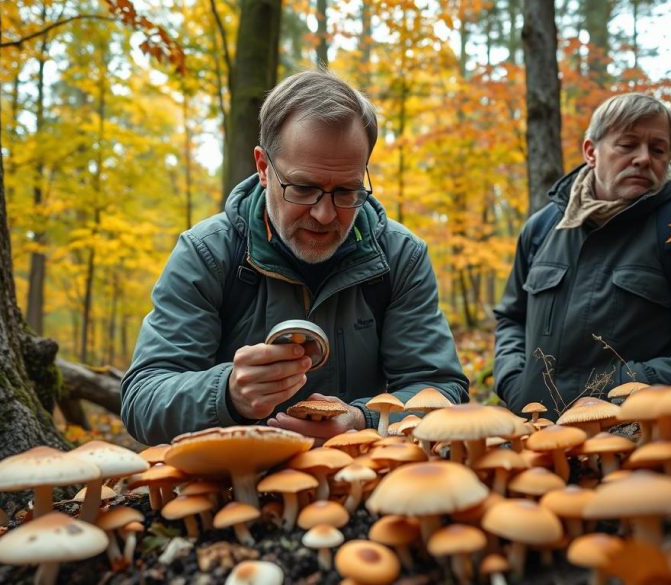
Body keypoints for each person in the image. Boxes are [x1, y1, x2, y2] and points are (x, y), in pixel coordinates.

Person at [121, 70, 468, 445]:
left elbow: (441, 388)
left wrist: (362, 420)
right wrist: (228, 393)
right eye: (303, 188)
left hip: (361, 484)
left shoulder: (399, 257)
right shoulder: (209, 254)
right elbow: (143, 398)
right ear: (263, 168)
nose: (324, 214)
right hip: (233, 486)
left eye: (347, 191)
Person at [493, 93, 671, 413]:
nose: (644, 158)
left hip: (644, 437)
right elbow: (511, 319)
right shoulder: (543, 228)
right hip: (539, 439)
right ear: (591, 152)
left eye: (657, 149)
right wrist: (513, 381)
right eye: (628, 144)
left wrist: (631, 383)